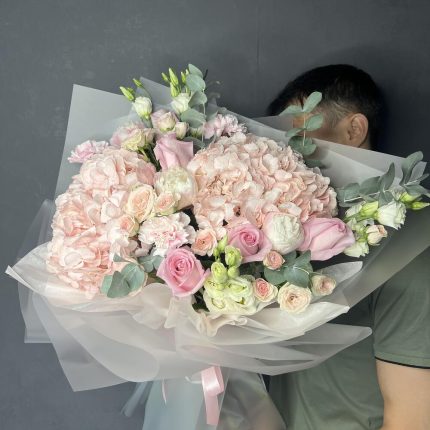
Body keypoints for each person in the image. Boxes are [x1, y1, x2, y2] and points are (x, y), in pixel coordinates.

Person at [267, 65, 430, 430]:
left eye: (300, 133)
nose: (288, 153)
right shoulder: (294, 236)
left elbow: (411, 420)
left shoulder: (413, 241)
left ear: (354, 129)